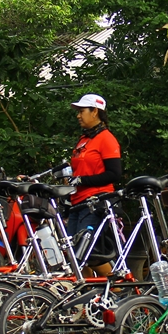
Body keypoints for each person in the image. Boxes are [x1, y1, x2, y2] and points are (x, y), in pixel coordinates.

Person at [66, 93, 122, 276]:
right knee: (72, 252)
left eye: (81, 111)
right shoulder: (84, 139)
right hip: (77, 201)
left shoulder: (106, 138)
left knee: (86, 251)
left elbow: (114, 173)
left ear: (95, 111)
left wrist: (82, 180)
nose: (78, 115)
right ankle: (87, 289)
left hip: (95, 201)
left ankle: (119, 287)